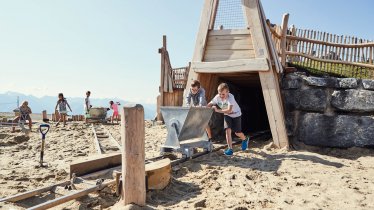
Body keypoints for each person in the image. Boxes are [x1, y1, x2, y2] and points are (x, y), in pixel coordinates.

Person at [207, 83, 249, 156]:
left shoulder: (231, 97)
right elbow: (210, 104)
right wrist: (206, 108)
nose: (221, 96)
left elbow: (229, 110)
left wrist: (217, 110)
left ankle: (245, 139)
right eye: (220, 94)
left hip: (236, 114)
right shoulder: (217, 97)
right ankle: (230, 149)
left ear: (228, 92)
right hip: (227, 116)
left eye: (223, 94)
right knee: (227, 130)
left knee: (237, 133)